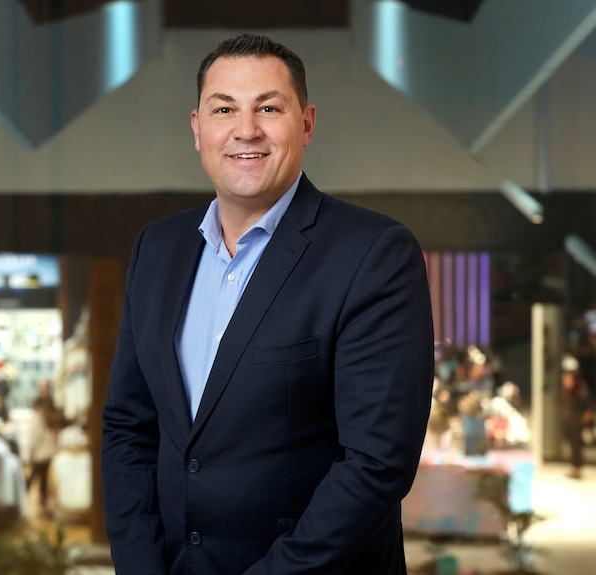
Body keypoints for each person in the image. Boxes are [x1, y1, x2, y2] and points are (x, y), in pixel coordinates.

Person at [100, 33, 434, 574]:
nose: (245, 129)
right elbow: (128, 428)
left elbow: (376, 463)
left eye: (269, 108)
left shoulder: (373, 253)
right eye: (224, 108)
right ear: (197, 128)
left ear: (305, 124)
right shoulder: (156, 249)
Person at [25, 391, 62, 518]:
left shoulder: (38, 417)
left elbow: (33, 439)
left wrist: (29, 454)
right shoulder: (53, 417)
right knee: (45, 482)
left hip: (40, 455)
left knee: (33, 480)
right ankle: (45, 508)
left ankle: (24, 504)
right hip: (52, 455)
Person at [560, 355, 595, 479]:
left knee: (576, 446)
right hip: (571, 419)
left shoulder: (581, 388)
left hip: (577, 420)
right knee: (572, 445)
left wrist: (586, 417)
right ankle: (575, 468)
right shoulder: (570, 389)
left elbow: (588, 405)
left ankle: (577, 468)